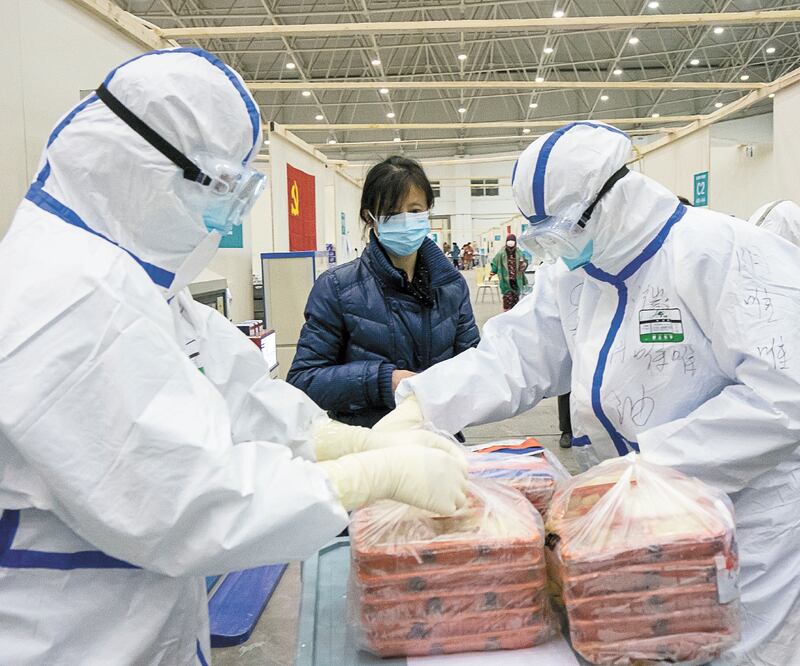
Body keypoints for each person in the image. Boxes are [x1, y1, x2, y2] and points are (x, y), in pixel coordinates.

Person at [0, 49, 469, 664]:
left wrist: (350, 444)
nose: (224, 220)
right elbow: (186, 504)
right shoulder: (62, 299)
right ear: (149, 172)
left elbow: (243, 397)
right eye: (221, 190)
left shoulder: (141, 286)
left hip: (141, 616)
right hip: (68, 638)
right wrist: (368, 477)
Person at [377, 121, 800, 664]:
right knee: (656, 643)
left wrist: (653, 466)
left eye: (562, 228)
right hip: (632, 519)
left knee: (737, 650)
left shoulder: (719, 252)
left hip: (744, 515)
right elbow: (515, 356)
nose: (556, 247)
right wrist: (422, 406)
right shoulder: (578, 272)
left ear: (615, 194)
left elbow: (785, 394)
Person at [287, 156, 479, 428]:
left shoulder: (451, 286)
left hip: (438, 441)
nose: (405, 221)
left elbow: (472, 366)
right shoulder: (337, 287)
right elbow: (304, 380)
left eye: (414, 210)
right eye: (391, 212)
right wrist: (383, 380)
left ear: (427, 212)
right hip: (367, 448)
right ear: (370, 217)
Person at [489, 233, 528, 311]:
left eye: (512, 241)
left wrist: (523, 265)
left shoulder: (519, 252)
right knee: (507, 298)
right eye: (509, 241)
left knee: (515, 298)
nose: (511, 242)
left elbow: (525, 262)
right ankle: (506, 315)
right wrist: (492, 272)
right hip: (505, 280)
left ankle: (513, 315)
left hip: (517, 279)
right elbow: (495, 263)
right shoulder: (501, 253)